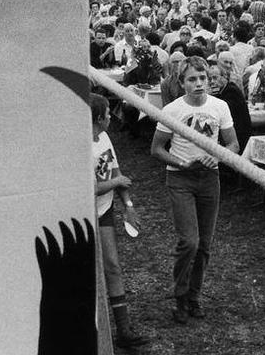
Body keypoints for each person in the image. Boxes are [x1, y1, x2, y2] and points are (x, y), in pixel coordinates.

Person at [150, 56, 239, 323]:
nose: (199, 83)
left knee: (205, 245)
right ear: (182, 83)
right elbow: (156, 149)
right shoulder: (172, 111)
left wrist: (219, 156)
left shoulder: (220, 106)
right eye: (192, 79)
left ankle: (194, 296)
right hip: (180, 178)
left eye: (202, 78)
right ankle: (179, 295)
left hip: (209, 178)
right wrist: (181, 162)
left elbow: (233, 144)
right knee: (189, 241)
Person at [90, 94, 150, 349]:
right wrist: (116, 184)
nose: (111, 118)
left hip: (104, 210)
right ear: (98, 118)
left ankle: (123, 329)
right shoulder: (80, 147)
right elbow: (89, 188)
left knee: (112, 266)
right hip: (84, 212)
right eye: (107, 114)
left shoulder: (103, 137)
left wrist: (129, 206)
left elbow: (116, 171)